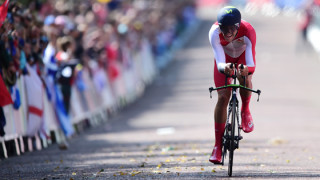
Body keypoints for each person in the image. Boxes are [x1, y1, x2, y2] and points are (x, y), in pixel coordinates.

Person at [208, 6, 256, 164]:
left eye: (231, 29)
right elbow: (220, 61)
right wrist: (225, 68)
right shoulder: (214, 32)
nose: (227, 33)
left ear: (238, 26)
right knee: (222, 97)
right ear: (219, 26)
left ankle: (245, 110)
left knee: (245, 77)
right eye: (224, 29)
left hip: (242, 57)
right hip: (224, 60)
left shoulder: (248, 31)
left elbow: (251, 64)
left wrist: (245, 70)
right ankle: (217, 146)